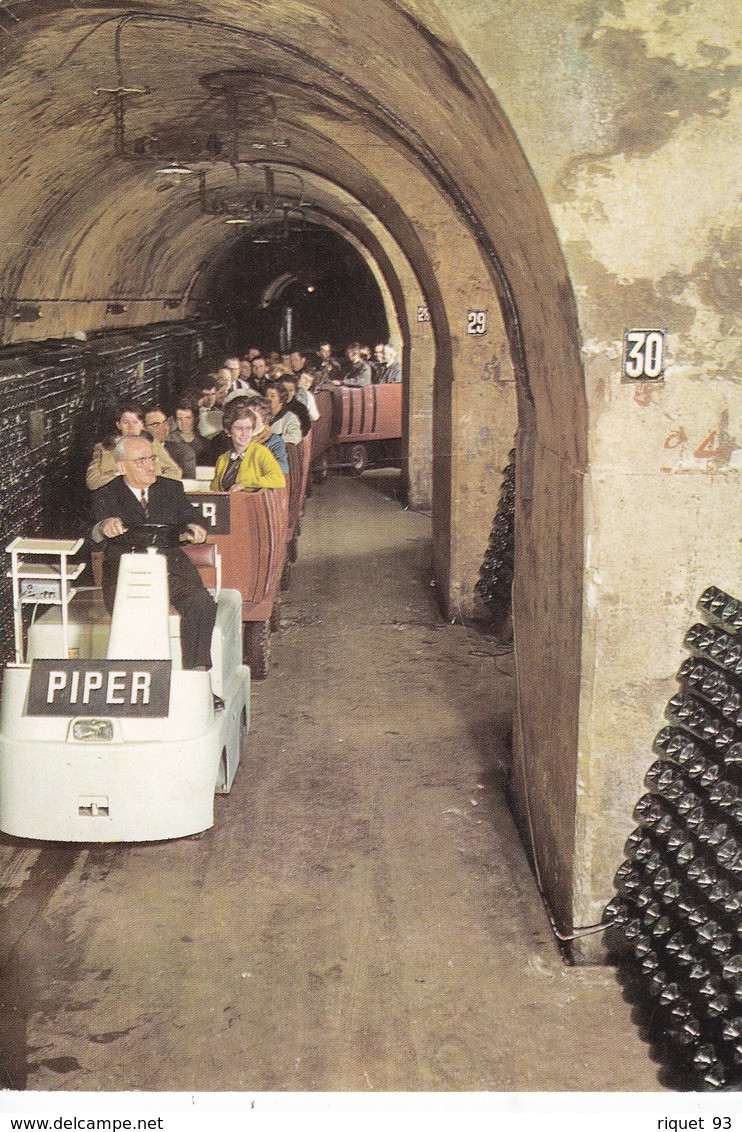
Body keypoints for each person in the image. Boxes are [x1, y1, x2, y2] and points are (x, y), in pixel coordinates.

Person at [91, 435, 217, 675]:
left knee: (202, 604)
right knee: (132, 617)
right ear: (120, 467)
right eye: (140, 461)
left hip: (171, 570)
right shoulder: (106, 494)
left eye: (152, 458)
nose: (150, 465)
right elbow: (91, 533)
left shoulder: (171, 488)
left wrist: (194, 527)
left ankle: (197, 675)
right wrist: (103, 527)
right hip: (126, 575)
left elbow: (192, 516)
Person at [86, 400, 181, 490]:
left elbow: (175, 471)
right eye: (126, 422)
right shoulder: (104, 448)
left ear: (142, 425)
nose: (131, 427)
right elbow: (92, 482)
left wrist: (152, 484)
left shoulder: (152, 443)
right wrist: (119, 475)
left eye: (135, 422)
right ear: (119, 425)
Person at [210, 401, 286, 492]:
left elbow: (279, 480)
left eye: (248, 428)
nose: (244, 434)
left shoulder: (261, 452)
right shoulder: (223, 459)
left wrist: (243, 484)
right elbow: (215, 490)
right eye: (239, 429)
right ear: (228, 431)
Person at [249, 396, 289, 475]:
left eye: (253, 417)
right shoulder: (238, 436)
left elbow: (284, 468)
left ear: (264, 419)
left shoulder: (274, 440)